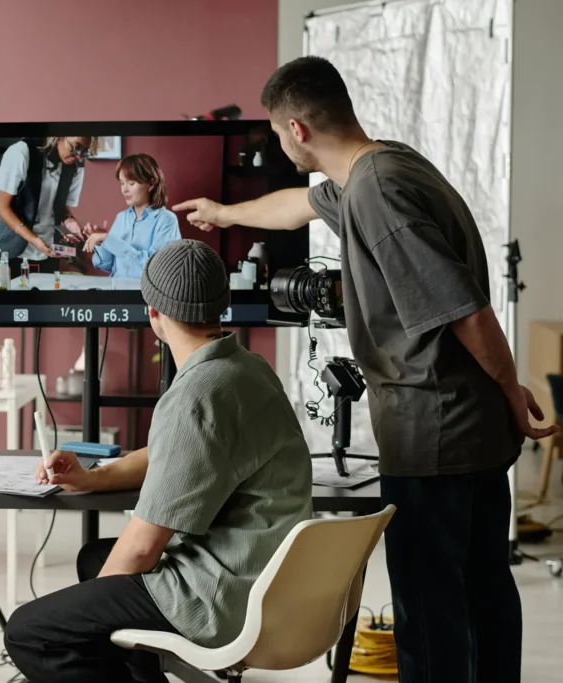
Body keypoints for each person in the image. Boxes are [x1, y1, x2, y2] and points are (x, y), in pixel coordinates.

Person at [173, 56, 559, 683]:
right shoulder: (382, 168)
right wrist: (225, 213)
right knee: (485, 591)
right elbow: (300, 204)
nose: (278, 141)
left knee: (430, 613)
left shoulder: (375, 191)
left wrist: (513, 390)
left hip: (433, 429)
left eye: (276, 132)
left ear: (296, 129)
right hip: (470, 429)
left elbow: (464, 310)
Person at [3, 240, 313, 683]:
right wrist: (92, 478)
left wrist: (88, 611)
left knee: (33, 633)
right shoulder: (248, 369)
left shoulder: (196, 395)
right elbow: (177, 452)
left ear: (154, 314)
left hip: (222, 597)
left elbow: (142, 548)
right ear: (222, 306)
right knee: (96, 558)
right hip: (273, 581)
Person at [0, 136, 95, 277]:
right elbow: (1, 207)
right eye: (74, 148)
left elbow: (59, 206)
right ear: (59, 137)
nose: (78, 156)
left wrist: (69, 220)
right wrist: (34, 239)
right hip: (11, 249)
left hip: (47, 251)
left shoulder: (76, 166)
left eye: (83, 151)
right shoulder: (21, 153)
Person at [84, 153, 181, 280]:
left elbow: (156, 268)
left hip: (146, 295)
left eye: (131, 183)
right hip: (116, 291)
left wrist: (110, 240)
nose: (124, 190)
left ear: (151, 184)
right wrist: (102, 243)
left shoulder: (167, 220)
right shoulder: (121, 217)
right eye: (122, 183)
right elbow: (107, 265)